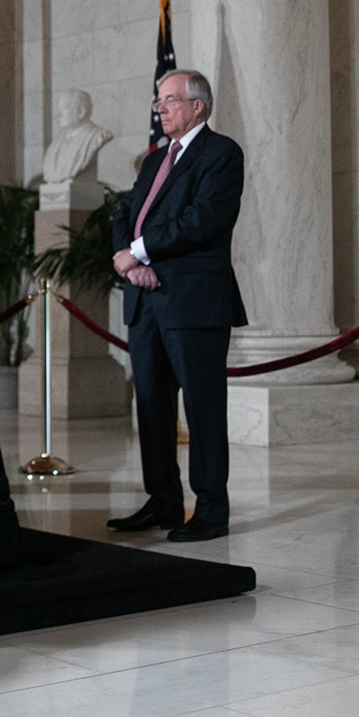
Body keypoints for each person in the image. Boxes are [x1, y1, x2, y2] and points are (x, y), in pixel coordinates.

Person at [107, 70, 246, 542]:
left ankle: (211, 510)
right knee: (151, 405)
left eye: (169, 100)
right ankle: (163, 500)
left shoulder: (221, 153)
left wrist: (139, 253)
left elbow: (202, 220)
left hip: (193, 300)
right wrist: (128, 262)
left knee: (203, 408)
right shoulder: (154, 160)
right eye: (159, 101)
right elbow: (125, 214)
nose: (160, 108)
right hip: (145, 300)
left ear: (197, 106)